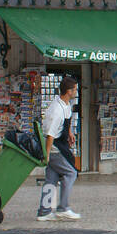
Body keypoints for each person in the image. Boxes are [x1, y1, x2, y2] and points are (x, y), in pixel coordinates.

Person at [38, 75, 81, 221]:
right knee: (71, 173)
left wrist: (69, 133)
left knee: (51, 177)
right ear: (69, 91)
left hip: (60, 143)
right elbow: (50, 134)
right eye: (75, 89)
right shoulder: (56, 109)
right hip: (55, 146)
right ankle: (63, 207)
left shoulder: (65, 103)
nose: (76, 91)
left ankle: (44, 211)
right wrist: (47, 154)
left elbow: (66, 120)